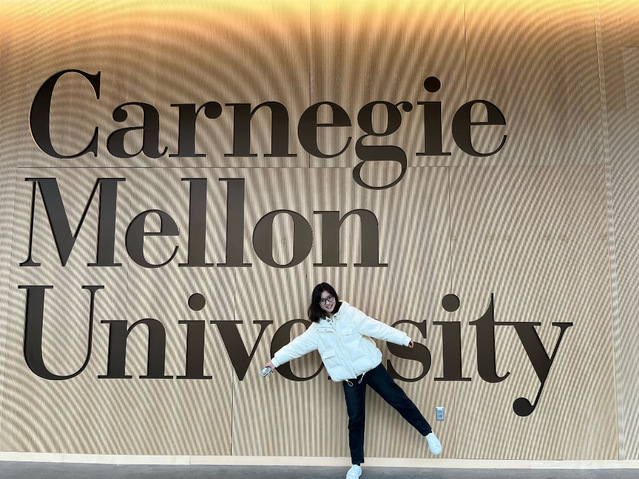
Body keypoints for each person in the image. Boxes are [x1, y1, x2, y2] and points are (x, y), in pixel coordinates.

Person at [264, 282, 441, 479]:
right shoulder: (317, 330)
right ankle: (356, 465)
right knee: (355, 419)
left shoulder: (350, 314)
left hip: (372, 369)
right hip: (350, 380)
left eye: (330, 297)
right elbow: (296, 346)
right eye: (322, 300)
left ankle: (428, 433)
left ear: (334, 296)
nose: (328, 302)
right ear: (317, 304)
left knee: (399, 400)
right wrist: (274, 362)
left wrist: (403, 338)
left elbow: (376, 327)